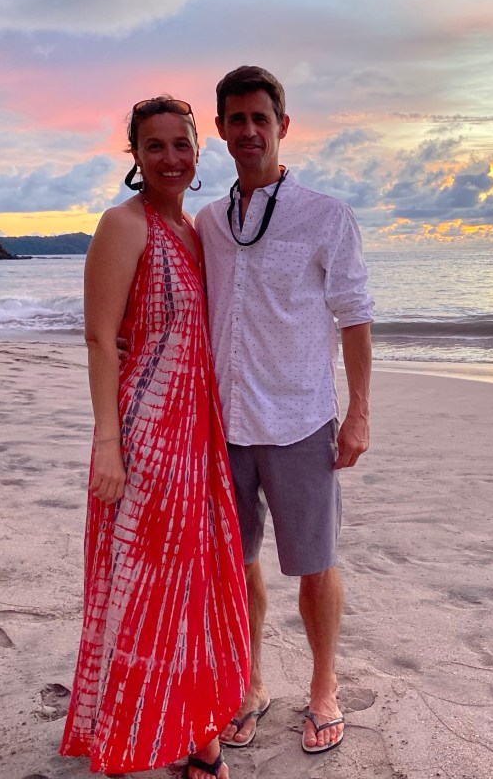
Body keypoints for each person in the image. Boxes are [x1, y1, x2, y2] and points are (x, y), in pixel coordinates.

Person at [60, 96, 251, 779]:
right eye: (155, 146)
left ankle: (192, 728)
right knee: (145, 587)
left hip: (199, 434)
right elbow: (99, 338)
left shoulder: (196, 230)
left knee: (192, 585)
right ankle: (150, 735)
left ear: (198, 151)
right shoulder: (124, 223)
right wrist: (108, 446)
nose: (171, 158)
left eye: (181, 144)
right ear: (135, 156)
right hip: (146, 434)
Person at [195, 66, 374, 755]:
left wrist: (358, 413)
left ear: (282, 126)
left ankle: (324, 689)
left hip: (300, 418)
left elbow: (355, 317)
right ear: (221, 129)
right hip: (226, 420)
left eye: (260, 119)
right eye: (236, 119)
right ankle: (250, 685)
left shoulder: (326, 216)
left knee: (315, 563)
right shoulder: (210, 223)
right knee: (237, 563)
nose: (249, 131)